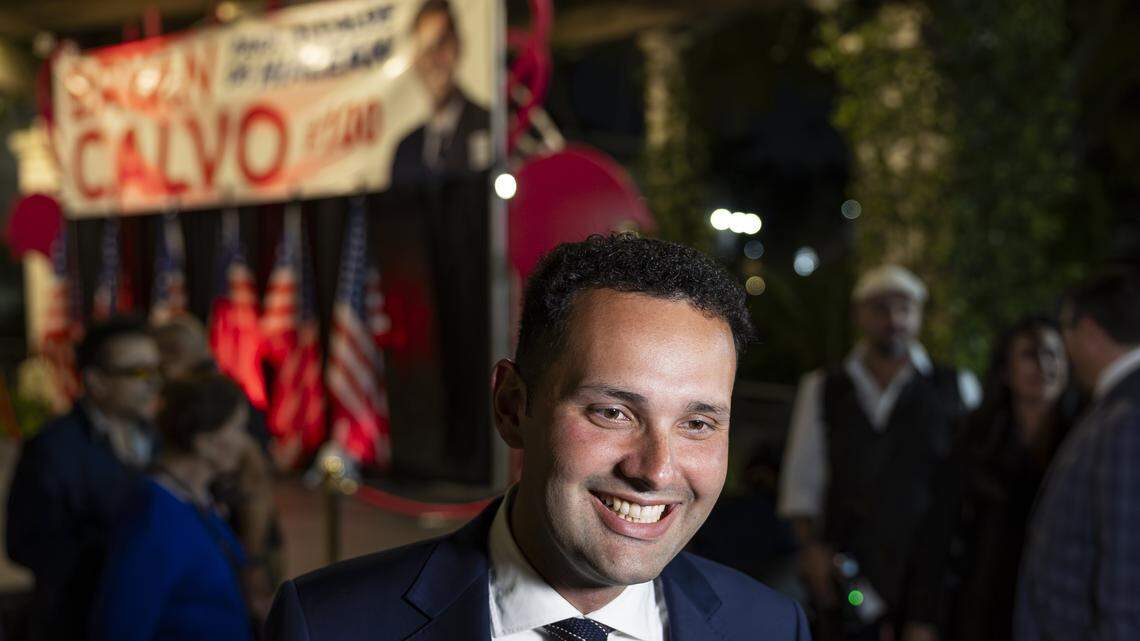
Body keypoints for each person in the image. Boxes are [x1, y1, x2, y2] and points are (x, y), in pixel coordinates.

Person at [266, 234, 811, 640]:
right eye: (613, 412)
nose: (656, 470)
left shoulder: (770, 627)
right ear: (511, 407)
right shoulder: (328, 625)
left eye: (697, 424)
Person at [778, 265, 981, 641]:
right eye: (881, 308)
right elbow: (802, 481)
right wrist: (812, 551)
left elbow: (970, 491)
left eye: (905, 309)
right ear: (859, 315)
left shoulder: (957, 387)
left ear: (919, 316)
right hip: (847, 580)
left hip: (932, 581)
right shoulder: (823, 387)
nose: (894, 320)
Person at [6, 318, 161, 641]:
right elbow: (25, 544)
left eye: (156, 370)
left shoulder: (160, 439)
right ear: (96, 381)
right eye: (138, 372)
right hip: (82, 622)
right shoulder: (53, 448)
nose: (153, 383)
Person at [1013, 269, 1140, 641]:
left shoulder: (1127, 418)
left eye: (1066, 331)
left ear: (1088, 330)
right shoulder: (1116, 407)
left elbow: (1127, 576)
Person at [91, 373, 253, 641]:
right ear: (204, 441)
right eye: (238, 428)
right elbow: (121, 625)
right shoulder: (153, 517)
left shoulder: (196, 500)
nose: (245, 442)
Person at [950, 316, 1075, 641]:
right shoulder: (975, 437)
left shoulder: (1086, 437)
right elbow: (942, 528)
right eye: (1030, 355)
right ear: (1005, 371)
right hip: (985, 602)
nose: (1044, 366)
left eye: (1053, 354)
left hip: (1061, 607)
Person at [391, 0, 491, 183]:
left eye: (441, 44)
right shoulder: (406, 150)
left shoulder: (490, 125)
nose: (433, 60)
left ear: (457, 46)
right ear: (415, 61)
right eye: (425, 50)